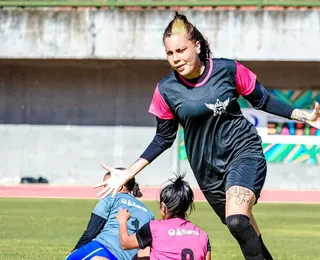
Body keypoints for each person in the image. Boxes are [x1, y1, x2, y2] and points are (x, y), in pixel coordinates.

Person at [93, 12, 320, 260]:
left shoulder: (228, 70)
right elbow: (163, 138)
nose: (176, 58)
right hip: (206, 172)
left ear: (197, 45)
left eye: (181, 50)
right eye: (170, 53)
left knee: (236, 219)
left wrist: (304, 116)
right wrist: (128, 173)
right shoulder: (166, 90)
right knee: (243, 229)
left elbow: (262, 100)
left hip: (242, 153)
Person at [65, 168, 154, 260]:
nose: (105, 190)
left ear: (120, 186)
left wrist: (74, 251)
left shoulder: (111, 198)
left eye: (107, 186)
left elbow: (91, 231)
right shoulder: (149, 214)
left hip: (103, 247)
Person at [117, 174, 211, 260]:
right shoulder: (202, 235)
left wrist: (122, 220)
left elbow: (125, 243)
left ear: (163, 207)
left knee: (143, 252)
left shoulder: (154, 228)